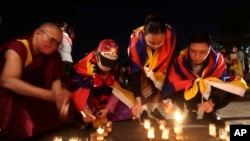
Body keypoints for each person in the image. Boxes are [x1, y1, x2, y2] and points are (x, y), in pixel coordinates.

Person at [0, 22, 74, 141]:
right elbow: (8, 81)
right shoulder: (18, 47)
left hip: (33, 89)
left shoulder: (53, 56)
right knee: (15, 104)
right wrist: (49, 95)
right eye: (51, 40)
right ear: (37, 33)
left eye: (58, 44)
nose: (54, 47)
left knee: (66, 99)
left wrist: (59, 98)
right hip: (11, 90)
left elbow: (55, 79)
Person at [161, 32, 249, 122]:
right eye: (193, 51)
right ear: (188, 48)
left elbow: (221, 84)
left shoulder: (217, 59)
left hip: (210, 91)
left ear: (209, 50)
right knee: (181, 82)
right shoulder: (180, 59)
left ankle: (210, 111)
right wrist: (169, 99)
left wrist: (212, 101)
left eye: (203, 52)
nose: (197, 56)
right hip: (188, 93)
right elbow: (172, 81)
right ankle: (192, 110)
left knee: (238, 85)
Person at [71, 39, 134, 128]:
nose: (108, 66)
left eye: (111, 62)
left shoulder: (114, 69)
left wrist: (108, 109)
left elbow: (116, 91)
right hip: (88, 104)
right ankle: (85, 118)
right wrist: (84, 109)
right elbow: (77, 90)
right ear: (97, 55)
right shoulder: (84, 67)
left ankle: (102, 116)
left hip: (105, 103)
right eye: (105, 61)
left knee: (128, 109)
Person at [127, 13, 177, 122]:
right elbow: (135, 73)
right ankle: (143, 110)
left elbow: (170, 64)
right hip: (142, 68)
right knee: (143, 80)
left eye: (160, 42)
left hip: (161, 65)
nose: (156, 45)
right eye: (151, 42)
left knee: (161, 80)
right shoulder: (136, 42)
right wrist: (138, 101)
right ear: (144, 34)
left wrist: (167, 96)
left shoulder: (171, 36)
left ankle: (155, 109)